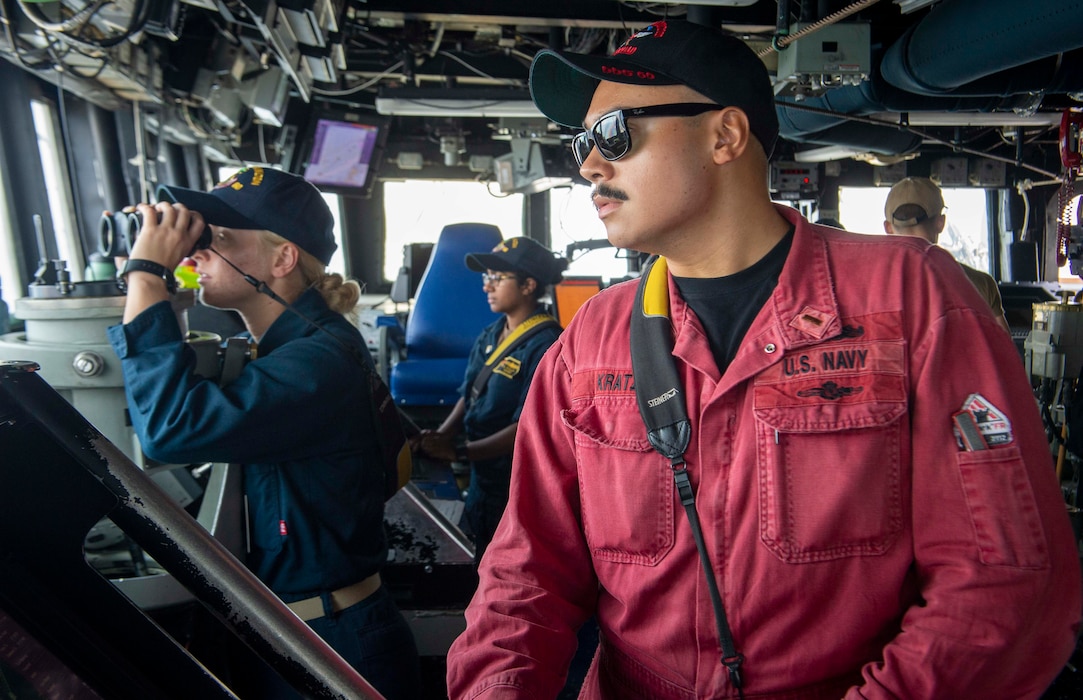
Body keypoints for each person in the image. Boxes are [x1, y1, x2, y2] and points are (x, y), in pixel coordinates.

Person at [446, 19, 1082, 699]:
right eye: (582, 142)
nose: (589, 165)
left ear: (724, 135)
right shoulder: (590, 339)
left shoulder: (909, 298)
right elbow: (524, 579)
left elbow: (1004, 578)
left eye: (614, 133)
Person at [106, 166, 421, 699]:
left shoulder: (316, 364)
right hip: (296, 631)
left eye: (216, 238)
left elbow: (168, 427)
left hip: (332, 643)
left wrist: (145, 274)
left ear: (282, 259)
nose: (196, 252)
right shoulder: (296, 348)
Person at [412, 236, 566, 566]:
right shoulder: (491, 334)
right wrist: (442, 434)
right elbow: (470, 394)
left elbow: (526, 427)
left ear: (527, 285)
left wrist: (460, 452)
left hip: (515, 481)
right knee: (478, 554)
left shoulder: (547, 346)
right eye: (486, 277)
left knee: (510, 562)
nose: (487, 287)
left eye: (497, 278)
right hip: (483, 474)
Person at [883, 176, 1011, 332]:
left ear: (888, 228)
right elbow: (1004, 347)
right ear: (940, 222)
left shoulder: (875, 287)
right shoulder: (981, 284)